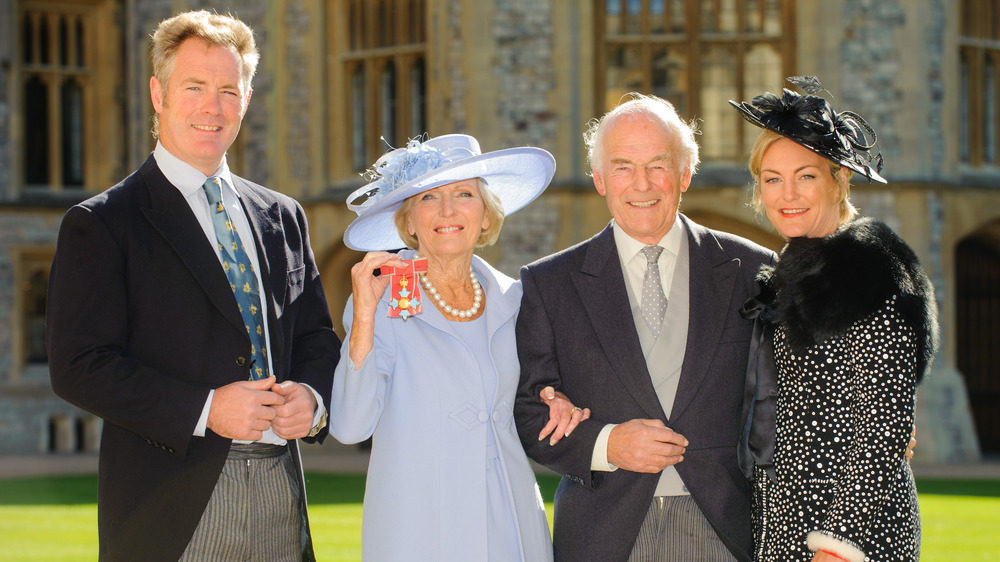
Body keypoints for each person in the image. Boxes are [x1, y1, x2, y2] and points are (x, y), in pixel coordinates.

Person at [46, 10, 340, 561]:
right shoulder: (104, 222)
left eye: (229, 89)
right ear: (158, 94)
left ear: (247, 99)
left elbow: (317, 338)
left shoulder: (283, 215)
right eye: (195, 87)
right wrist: (205, 409)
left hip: (282, 493)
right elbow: (78, 365)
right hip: (172, 503)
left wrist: (314, 397)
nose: (213, 106)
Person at [513, 93, 777, 561]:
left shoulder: (754, 271)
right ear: (598, 179)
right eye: (622, 166)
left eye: (658, 164)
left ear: (685, 173)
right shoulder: (548, 284)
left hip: (729, 530)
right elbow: (529, 414)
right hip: (605, 533)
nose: (642, 184)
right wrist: (606, 443)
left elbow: (783, 399)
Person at [330, 134, 588, 561]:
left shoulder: (519, 300)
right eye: (429, 197)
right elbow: (351, 426)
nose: (447, 211)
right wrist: (364, 317)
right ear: (409, 222)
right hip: (419, 526)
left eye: (464, 194)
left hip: (510, 516)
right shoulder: (381, 304)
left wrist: (557, 397)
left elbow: (539, 394)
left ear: (486, 215)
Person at [730, 78, 937, 561]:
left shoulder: (869, 271)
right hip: (785, 520)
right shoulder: (792, 273)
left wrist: (837, 545)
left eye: (806, 176)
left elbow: (884, 422)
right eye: (773, 178)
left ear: (839, 180)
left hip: (852, 533)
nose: (788, 194)